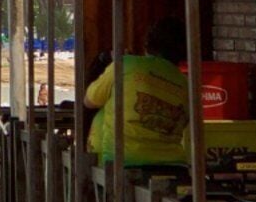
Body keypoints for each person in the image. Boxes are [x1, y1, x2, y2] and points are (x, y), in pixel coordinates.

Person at [81, 14, 193, 172]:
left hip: (124, 164)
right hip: (173, 166)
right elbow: (186, 121)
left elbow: (89, 101)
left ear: (147, 44)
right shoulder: (185, 83)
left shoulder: (125, 65)